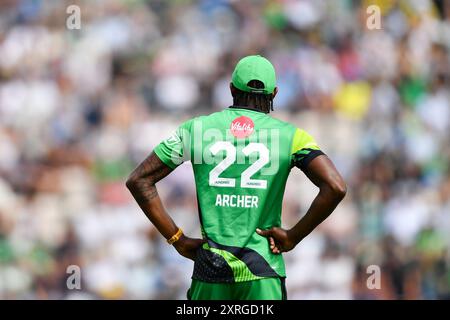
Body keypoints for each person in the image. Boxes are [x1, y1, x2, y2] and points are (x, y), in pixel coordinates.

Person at [126, 55, 347, 300]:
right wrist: (293, 236)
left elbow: (139, 180)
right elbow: (335, 187)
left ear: (231, 89)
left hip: (211, 270)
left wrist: (177, 239)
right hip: (263, 270)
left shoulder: (196, 129)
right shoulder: (291, 137)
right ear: (274, 94)